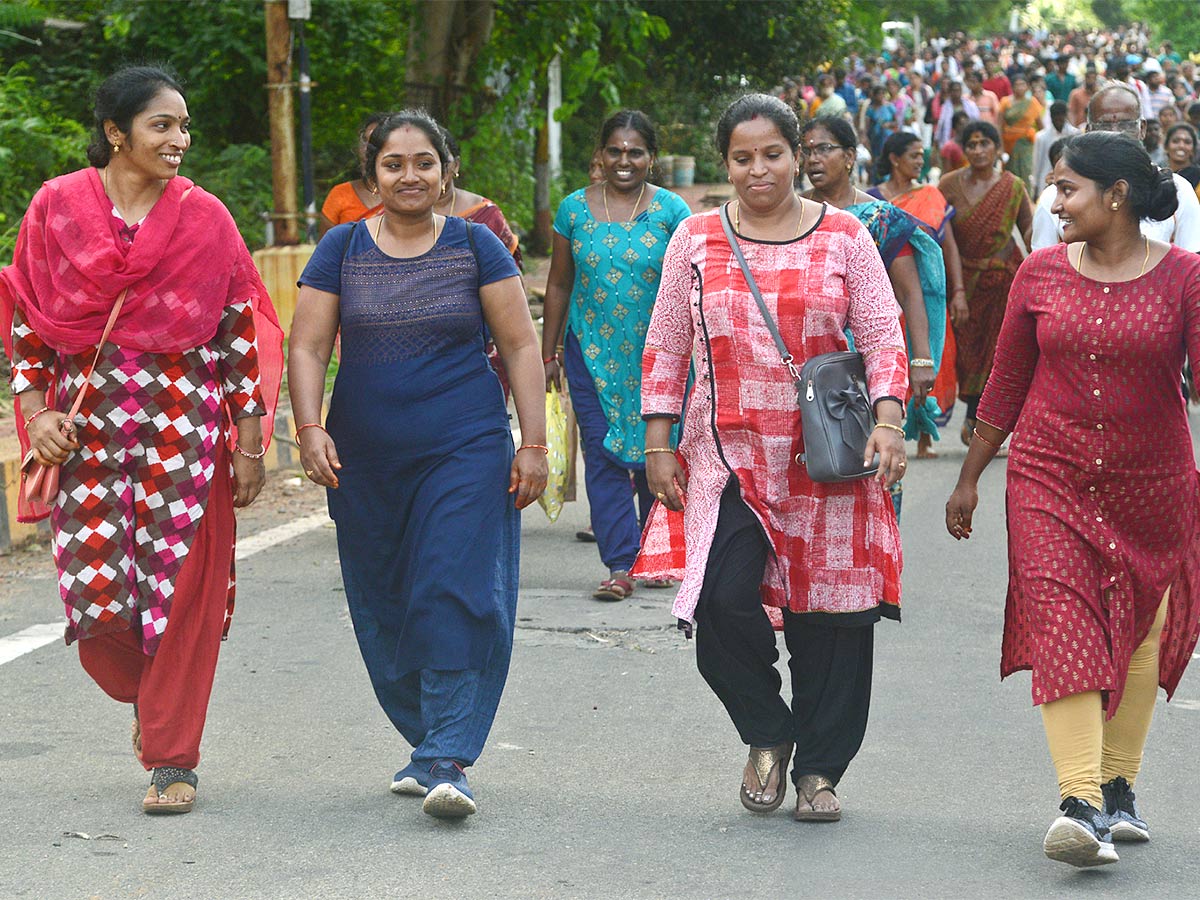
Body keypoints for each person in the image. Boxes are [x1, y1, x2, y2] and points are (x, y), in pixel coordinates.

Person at [0, 65, 283, 814]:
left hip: (184, 434)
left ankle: (171, 757)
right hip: (85, 433)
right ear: (116, 133)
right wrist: (36, 415)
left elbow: (236, 332)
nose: (179, 140)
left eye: (185, 126)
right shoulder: (56, 208)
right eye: (163, 125)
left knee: (182, 594)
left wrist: (249, 440)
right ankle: (150, 700)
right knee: (98, 602)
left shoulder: (205, 217)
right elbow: (27, 323)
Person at [632, 93, 907, 823]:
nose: (759, 169)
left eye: (774, 153)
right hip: (727, 457)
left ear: (798, 155)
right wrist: (658, 444)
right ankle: (768, 733)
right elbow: (666, 346)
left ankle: (820, 772)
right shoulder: (693, 238)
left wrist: (889, 421)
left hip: (831, 457)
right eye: (742, 157)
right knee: (720, 605)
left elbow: (882, 333)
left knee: (833, 619)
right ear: (725, 164)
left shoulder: (846, 235)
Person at [945, 131, 1200, 868]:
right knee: (1064, 624)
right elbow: (1006, 380)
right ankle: (1080, 803)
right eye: (1053, 188)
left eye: (1067, 189)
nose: (1053, 203)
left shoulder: (1185, 277)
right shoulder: (1041, 274)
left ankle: (1120, 789)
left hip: (1152, 484)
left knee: (1143, 633)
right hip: (1047, 477)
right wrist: (972, 475)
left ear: (1116, 194)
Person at [288, 110, 547, 819]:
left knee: (452, 587)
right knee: (383, 597)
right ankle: (427, 737)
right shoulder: (341, 248)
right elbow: (307, 346)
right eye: (395, 164)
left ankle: (448, 756)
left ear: (447, 170)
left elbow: (522, 346)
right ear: (372, 175)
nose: (410, 176)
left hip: (464, 445)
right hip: (365, 456)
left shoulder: (476, 245)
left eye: (424, 162)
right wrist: (308, 427)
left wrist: (533, 441)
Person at [540, 111, 691, 601]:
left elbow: (693, 287)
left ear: (651, 157)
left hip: (662, 357)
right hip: (590, 353)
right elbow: (560, 283)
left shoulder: (673, 212)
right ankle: (620, 564)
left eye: (636, 152)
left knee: (659, 449)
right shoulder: (573, 210)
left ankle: (655, 555)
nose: (624, 161)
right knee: (602, 458)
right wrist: (550, 353)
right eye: (615, 151)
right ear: (600, 156)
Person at [801, 117, 940, 520]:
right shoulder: (789, 214)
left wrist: (920, 359)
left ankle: (878, 567)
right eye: (806, 150)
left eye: (824, 149)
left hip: (866, 365)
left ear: (848, 157)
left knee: (871, 464)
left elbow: (910, 292)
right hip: (807, 363)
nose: (813, 158)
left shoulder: (881, 219)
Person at [869, 130, 968, 459]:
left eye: (922, 156)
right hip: (882, 293)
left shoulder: (929, 194)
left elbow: (947, 246)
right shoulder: (870, 199)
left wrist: (957, 290)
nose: (919, 161)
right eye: (913, 155)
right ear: (895, 159)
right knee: (888, 363)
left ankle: (925, 432)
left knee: (927, 360)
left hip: (925, 295)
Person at [938, 120, 1033, 443]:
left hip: (1002, 283)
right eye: (972, 145)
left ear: (997, 148)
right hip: (962, 282)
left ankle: (978, 420)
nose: (978, 150)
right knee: (965, 353)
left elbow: (1029, 232)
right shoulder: (948, 185)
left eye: (984, 144)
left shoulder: (1013, 186)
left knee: (996, 353)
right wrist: (955, 292)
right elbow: (940, 238)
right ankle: (974, 414)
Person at [1031, 84, 1200, 252]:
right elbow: (1043, 269)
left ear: (1142, 129)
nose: (1115, 134)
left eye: (1125, 125)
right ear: (1088, 131)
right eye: (1103, 126)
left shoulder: (1176, 190)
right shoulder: (1056, 198)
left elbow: (1192, 264)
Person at [318, 112, 387, 235]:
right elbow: (326, 251)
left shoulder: (407, 195)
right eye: (364, 141)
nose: (366, 150)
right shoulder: (340, 194)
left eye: (375, 144)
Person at [999, 74, 1045, 188]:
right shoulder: (1005, 102)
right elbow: (999, 126)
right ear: (1012, 87)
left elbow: (1041, 126)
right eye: (1017, 85)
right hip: (1008, 143)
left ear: (1028, 86)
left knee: (1026, 171)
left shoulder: (1032, 102)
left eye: (1022, 84)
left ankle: (1027, 201)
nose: (1020, 87)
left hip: (1026, 143)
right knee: (1010, 173)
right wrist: (1000, 148)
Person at [1032, 101, 1080, 197]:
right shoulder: (1041, 137)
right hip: (1046, 179)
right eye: (1056, 119)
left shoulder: (1075, 135)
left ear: (1065, 116)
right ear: (1051, 117)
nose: (1058, 121)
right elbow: (1037, 163)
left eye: (1061, 119)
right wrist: (1035, 186)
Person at [1164, 123, 1200, 195]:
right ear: (1166, 147)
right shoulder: (1160, 176)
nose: (1181, 146)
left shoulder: (1198, 176)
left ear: (1193, 149)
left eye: (1187, 142)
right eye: (1175, 141)